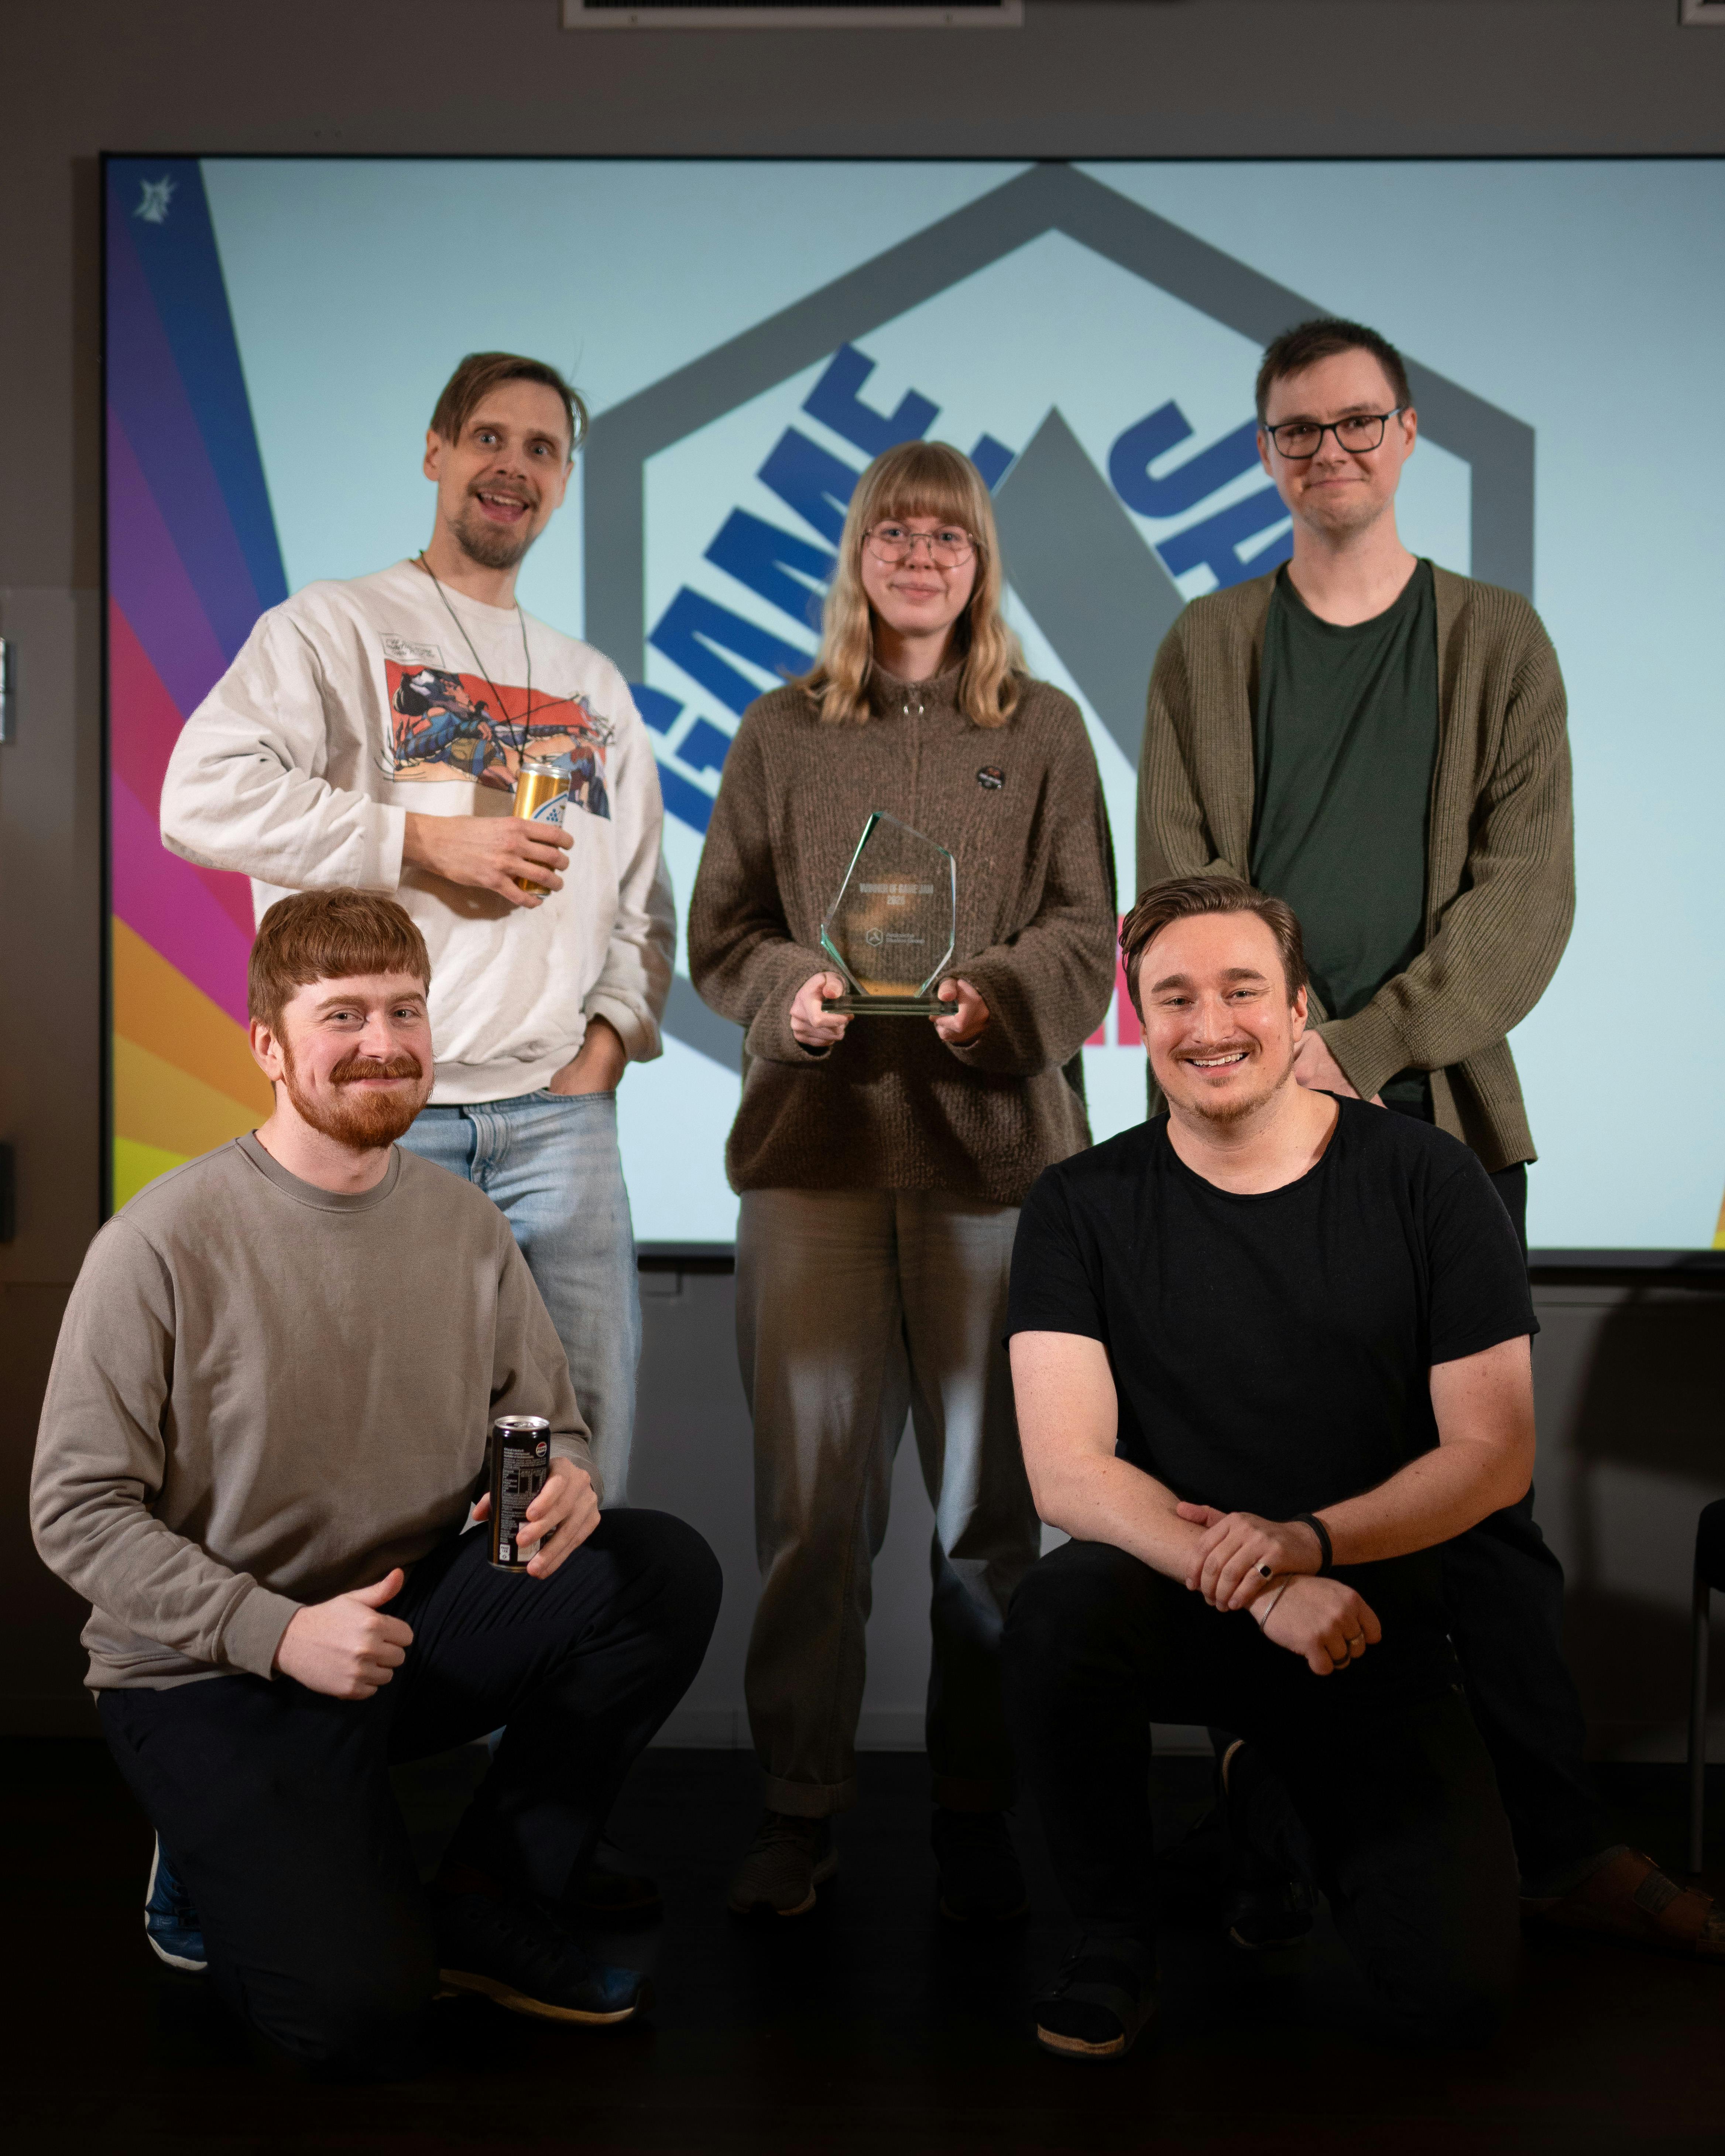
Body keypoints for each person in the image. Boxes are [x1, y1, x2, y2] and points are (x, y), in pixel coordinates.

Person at [1136, 316, 1722, 1960]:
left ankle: (1553, 1842)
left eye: (1355, 425)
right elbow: (1180, 894)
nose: (1327, 454)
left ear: (1405, 439)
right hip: (1238, 1140)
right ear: (1265, 455)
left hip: (1437, 1130)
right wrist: (1264, 1065)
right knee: (1257, 1488)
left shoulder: (1496, 641)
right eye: (1294, 434)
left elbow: (1527, 894)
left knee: (1477, 1506)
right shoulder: (1204, 645)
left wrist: (1360, 1049)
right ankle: (1274, 1833)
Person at [30, 891, 720, 2076]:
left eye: (405, 1009)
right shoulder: (159, 1241)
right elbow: (77, 1511)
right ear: (268, 1045)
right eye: (341, 1014)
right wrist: (275, 1633)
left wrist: (564, 1473)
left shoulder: (462, 1226)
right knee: (355, 2019)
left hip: (402, 1628)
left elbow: (543, 1419)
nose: (384, 1042)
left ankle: (488, 1899)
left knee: (657, 1570)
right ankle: (205, 1848)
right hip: (213, 1669)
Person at [687, 441, 1116, 1922]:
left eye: (947, 534)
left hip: (990, 1174)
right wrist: (788, 991)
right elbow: (724, 929)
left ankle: (975, 1804)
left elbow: (1083, 928)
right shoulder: (781, 728)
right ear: (859, 553)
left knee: (986, 1524)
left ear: (979, 559)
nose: (920, 554)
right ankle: (796, 1806)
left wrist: (994, 996)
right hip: (812, 1162)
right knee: (812, 1512)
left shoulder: (1043, 728)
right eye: (894, 531)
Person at [1004, 875, 1533, 2059]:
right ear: (1141, 1026)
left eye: (1243, 991)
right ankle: (1109, 1934)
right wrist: (1264, 1580)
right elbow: (1070, 1475)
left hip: (1365, 1613)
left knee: (1458, 2000)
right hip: (1179, 1595)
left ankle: (1268, 1800)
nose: (1210, 1026)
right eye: (1173, 1000)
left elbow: (1494, 1456)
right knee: (1055, 1608)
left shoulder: (1429, 1181)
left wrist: (1312, 1549)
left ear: (1302, 1013)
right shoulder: (1079, 1204)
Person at [161, 350, 673, 1512]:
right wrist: (421, 843)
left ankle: (530, 1666)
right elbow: (199, 798)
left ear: (565, 480)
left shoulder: (591, 685)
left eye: (543, 449)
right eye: (489, 438)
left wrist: (604, 1050)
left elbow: (644, 904)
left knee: (564, 1464)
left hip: (559, 1130)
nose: (513, 467)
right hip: (389, 1118)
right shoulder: (336, 628)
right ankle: (415, 1691)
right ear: (437, 454)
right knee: (381, 1454)